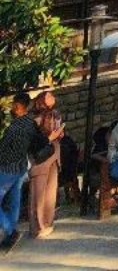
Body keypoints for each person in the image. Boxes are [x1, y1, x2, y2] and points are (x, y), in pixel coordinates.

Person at [0, 91, 53, 251]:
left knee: (11, 200)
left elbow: (3, 150)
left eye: (15, 106)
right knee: (14, 200)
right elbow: (39, 142)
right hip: (21, 168)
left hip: (7, 168)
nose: (13, 109)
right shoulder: (31, 124)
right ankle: (11, 232)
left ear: (20, 107)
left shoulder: (14, 128)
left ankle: (10, 231)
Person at [27, 94, 63, 239]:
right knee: (38, 195)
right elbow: (32, 142)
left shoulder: (54, 114)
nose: (48, 106)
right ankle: (37, 227)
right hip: (40, 158)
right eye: (46, 102)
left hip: (53, 155)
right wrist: (49, 138)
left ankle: (47, 223)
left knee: (50, 193)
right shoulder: (30, 120)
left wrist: (58, 134)